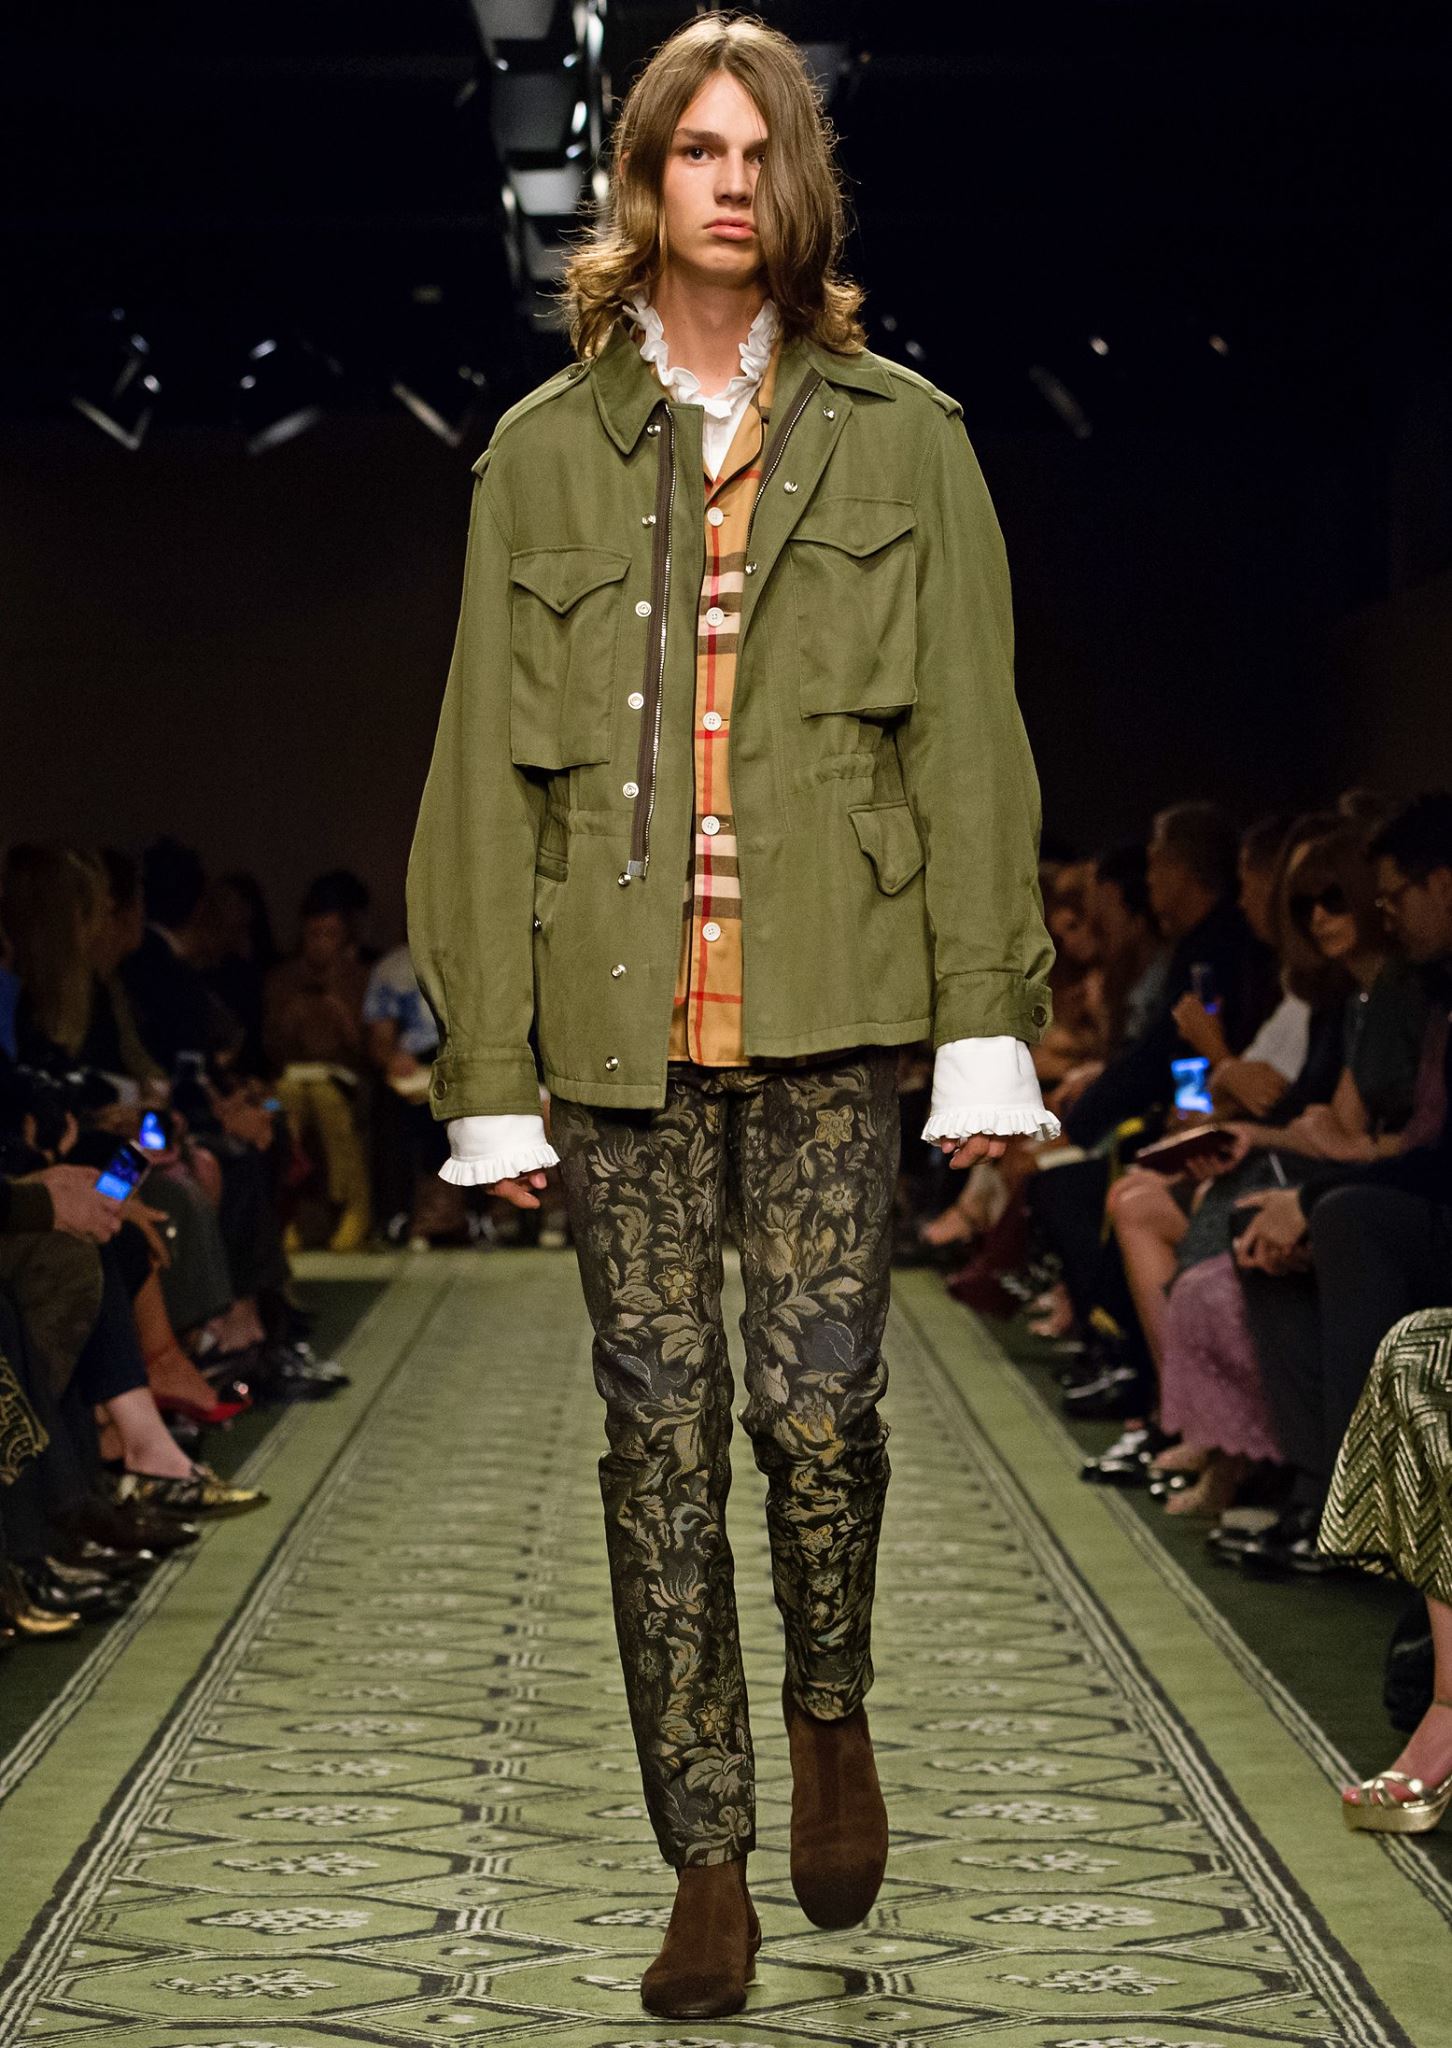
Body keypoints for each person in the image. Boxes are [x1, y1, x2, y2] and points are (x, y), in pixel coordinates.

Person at [407, 15, 1058, 2019]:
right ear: (641, 183)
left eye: (757, 150)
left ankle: (830, 1707)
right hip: (616, 1019)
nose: (727, 180)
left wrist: (990, 1019)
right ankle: (706, 1859)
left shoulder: (908, 439)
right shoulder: (540, 455)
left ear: (800, 187)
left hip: (836, 1004)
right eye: (693, 148)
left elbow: (972, 745)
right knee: (655, 1437)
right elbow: (478, 772)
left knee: (819, 1411)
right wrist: (488, 1074)